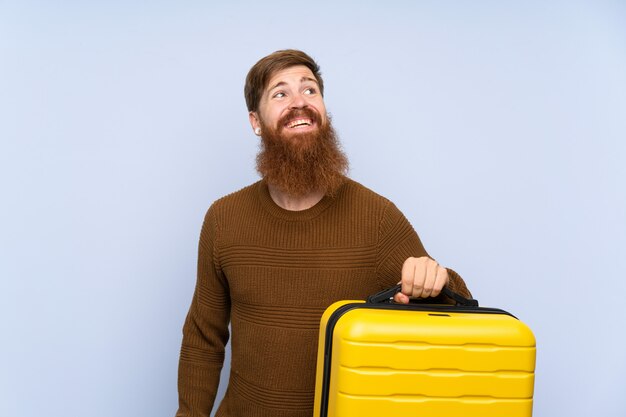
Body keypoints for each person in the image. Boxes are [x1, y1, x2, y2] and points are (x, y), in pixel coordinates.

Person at [175, 49, 471, 417]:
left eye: (310, 90)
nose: (300, 103)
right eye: (280, 93)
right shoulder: (223, 218)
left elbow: (458, 315)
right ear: (255, 121)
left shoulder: (377, 218)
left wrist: (437, 277)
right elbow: (204, 339)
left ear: (324, 111)